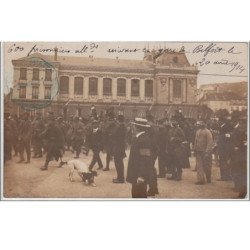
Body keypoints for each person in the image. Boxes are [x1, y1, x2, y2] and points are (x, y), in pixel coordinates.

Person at [126, 118, 158, 198]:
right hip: (136, 174)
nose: (132, 128)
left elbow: (145, 160)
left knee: (139, 195)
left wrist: (141, 176)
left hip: (139, 176)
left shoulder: (143, 140)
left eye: (133, 126)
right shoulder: (139, 138)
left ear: (137, 128)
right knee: (136, 194)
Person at [112, 111, 127, 183]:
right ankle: (119, 177)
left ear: (119, 120)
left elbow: (114, 135)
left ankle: (120, 179)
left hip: (119, 147)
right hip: (120, 146)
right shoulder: (122, 126)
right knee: (119, 163)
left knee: (118, 163)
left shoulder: (120, 127)